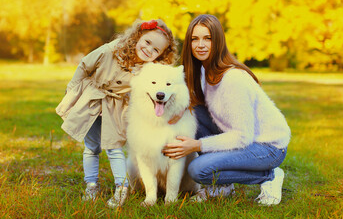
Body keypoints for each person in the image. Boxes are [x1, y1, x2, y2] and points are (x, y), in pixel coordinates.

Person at [162, 14, 291, 206]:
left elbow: (242, 137)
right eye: (195, 39)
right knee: (193, 111)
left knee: (199, 170)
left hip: (268, 146)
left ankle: (269, 175)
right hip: (243, 138)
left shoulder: (233, 79)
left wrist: (196, 145)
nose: (201, 45)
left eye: (208, 38)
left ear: (219, 41)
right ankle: (222, 185)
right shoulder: (203, 71)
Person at [56, 19, 178, 208]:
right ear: (138, 36)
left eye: (156, 50)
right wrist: (72, 89)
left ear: (160, 56)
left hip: (116, 106)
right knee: (91, 147)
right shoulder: (111, 50)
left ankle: (121, 187)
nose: (148, 50)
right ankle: (91, 185)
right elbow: (84, 66)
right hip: (92, 100)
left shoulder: (148, 70)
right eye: (147, 42)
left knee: (114, 147)